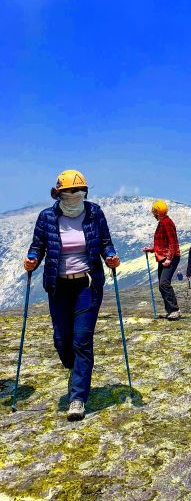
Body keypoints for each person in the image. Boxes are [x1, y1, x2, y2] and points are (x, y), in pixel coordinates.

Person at [23, 170, 120, 421]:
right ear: (59, 194)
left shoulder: (95, 213)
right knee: (61, 339)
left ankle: (77, 398)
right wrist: (32, 259)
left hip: (87, 284)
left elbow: (105, 242)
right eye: (69, 192)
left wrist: (110, 255)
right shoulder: (46, 217)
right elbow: (38, 246)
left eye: (79, 191)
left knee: (82, 340)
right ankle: (74, 367)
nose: (75, 196)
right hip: (59, 286)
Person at [143, 199, 181, 320]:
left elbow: (172, 242)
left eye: (154, 211)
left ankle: (174, 310)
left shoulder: (167, 223)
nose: (153, 214)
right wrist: (151, 249)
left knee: (164, 283)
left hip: (170, 257)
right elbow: (162, 243)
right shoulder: (162, 222)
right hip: (164, 257)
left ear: (157, 212)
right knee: (162, 285)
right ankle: (171, 310)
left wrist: (169, 259)